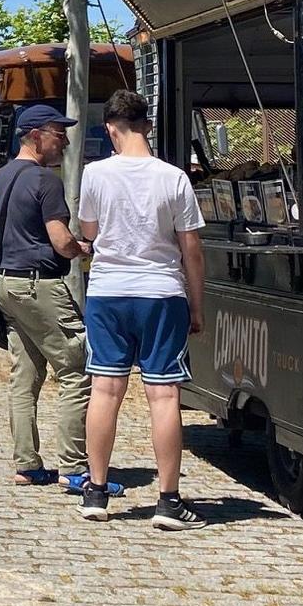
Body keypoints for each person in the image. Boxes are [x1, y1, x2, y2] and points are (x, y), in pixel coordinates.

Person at [77, 89, 208, 529]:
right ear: (146, 126)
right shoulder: (174, 178)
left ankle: (95, 492)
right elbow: (192, 249)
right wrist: (197, 304)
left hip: (108, 292)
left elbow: (90, 231)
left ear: (111, 128)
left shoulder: (95, 174)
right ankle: (168, 501)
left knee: (105, 391)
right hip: (161, 291)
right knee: (164, 395)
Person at [0, 105, 111, 495]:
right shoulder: (45, 181)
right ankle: (75, 469)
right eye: (59, 133)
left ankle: (27, 464)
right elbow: (60, 240)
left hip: (7, 284)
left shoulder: (0, 178)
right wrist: (83, 248)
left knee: (25, 376)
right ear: (36, 134)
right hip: (41, 286)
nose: (66, 140)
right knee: (76, 370)